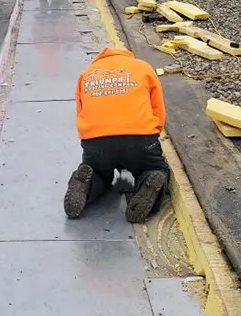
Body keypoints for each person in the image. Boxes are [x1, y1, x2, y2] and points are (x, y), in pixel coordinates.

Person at [64, 47, 169, 224]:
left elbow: (81, 112)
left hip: (96, 141)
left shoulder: (87, 74)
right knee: (156, 168)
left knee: (98, 172)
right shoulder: (142, 67)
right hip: (139, 137)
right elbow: (158, 108)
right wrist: (153, 136)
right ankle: (149, 179)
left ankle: (85, 185)